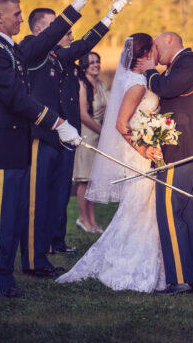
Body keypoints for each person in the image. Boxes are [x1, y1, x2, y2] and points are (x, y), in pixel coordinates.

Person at [0, 0, 93, 298]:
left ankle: (6, 279)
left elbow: (46, 38)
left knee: (11, 217)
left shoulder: (11, 49)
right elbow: (15, 99)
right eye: (16, 14)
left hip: (15, 148)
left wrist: (78, 3)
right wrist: (57, 122)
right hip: (0, 149)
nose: (21, 19)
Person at [20, 0, 126, 278]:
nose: (60, 30)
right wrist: (78, 3)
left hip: (59, 139)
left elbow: (81, 46)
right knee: (36, 200)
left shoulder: (56, 56)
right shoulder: (30, 51)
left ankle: (44, 253)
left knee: (55, 197)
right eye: (54, 26)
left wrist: (108, 18)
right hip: (39, 137)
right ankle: (32, 260)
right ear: (41, 30)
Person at [56, 34, 166, 293]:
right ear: (144, 55)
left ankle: (145, 257)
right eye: (154, 50)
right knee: (139, 207)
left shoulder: (132, 78)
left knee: (140, 207)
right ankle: (128, 262)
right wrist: (144, 148)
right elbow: (120, 123)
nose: (157, 54)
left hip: (139, 150)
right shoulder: (138, 83)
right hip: (139, 153)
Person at [137, 32, 193, 295]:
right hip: (179, 147)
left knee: (168, 213)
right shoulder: (179, 65)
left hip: (179, 149)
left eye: (156, 47)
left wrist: (150, 71)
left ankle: (180, 279)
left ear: (169, 41)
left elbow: (166, 89)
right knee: (186, 214)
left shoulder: (190, 61)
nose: (154, 54)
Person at [73, 51, 109, 233]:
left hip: (100, 136)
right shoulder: (81, 85)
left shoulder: (102, 84)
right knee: (85, 181)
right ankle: (82, 219)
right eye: (92, 62)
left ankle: (93, 221)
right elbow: (83, 115)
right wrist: (103, 131)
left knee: (94, 181)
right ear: (84, 66)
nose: (96, 64)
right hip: (87, 136)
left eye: (98, 61)